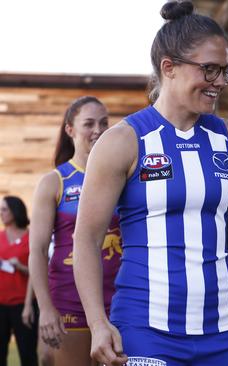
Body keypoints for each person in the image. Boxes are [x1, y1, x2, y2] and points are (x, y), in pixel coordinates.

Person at [72, 2, 228, 366]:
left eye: (225, 70)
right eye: (209, 69)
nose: (221, 82)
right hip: (144, 329)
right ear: (169, 68)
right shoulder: (122, 141)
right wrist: (98, 323)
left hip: (223, 329)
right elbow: (86, 239)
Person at [28, 96, 120, 365]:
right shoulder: (54, 182)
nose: (98, 130)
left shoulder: (122, 178)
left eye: (104, 123)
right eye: (88, 123)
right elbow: (37, 251)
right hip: (70, 301)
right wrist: (45, 308)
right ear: (70, 130)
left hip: (120, 301)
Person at [0, 195, 37, 366]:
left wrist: (20, 266)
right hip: (1, 305)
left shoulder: (31, 238)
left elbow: (37, 272)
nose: (1, 213)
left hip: (24, 305)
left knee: (27, 354)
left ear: (15, 210)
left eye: (4, 209)